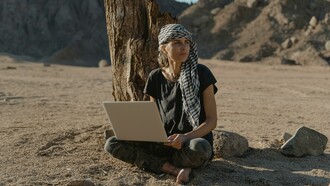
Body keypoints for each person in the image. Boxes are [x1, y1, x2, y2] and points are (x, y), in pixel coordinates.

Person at [104, 24, 218, 184]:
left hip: (191, 142)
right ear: (164, 48)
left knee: (201, 148)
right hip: (165, 143)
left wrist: (185, 137)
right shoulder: (155, 77)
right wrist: (154, 137)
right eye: (177, 42)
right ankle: (174, 169)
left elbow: (212, 121)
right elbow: (154, 118)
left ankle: (163, 164)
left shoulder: (202, 73)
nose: (183, 47)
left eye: (186, 42)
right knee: (112, 143)